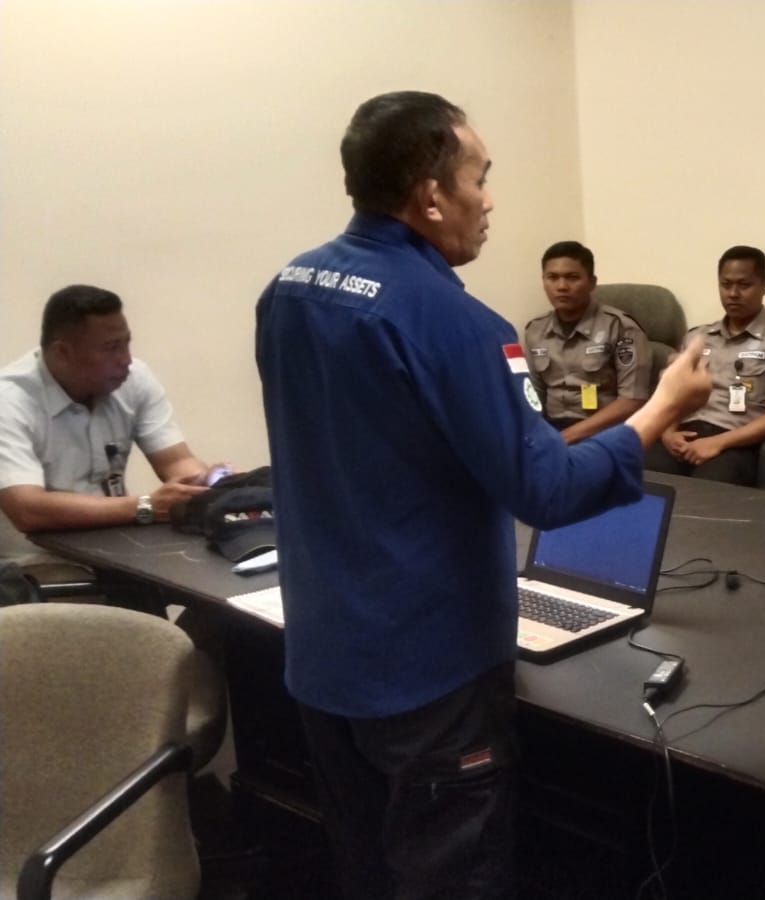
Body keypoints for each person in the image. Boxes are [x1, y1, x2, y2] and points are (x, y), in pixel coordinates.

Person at [255, 91, 710, 900]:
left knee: (364, 872)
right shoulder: (459, 324)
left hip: (325, 654)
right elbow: (548, 487)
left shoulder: (288, 289)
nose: (490, 198)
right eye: (481, 176)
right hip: (427, 673)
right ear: (432, 196)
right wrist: (662, 409)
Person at [0, 285, 211, 571]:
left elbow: (176, 461)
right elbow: (27, 509)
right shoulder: (10, 401)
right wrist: (145, 506)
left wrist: (212, 485)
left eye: (126, 343)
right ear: (62, 353)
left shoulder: (134, 378)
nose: (126, 359)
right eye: (111, 348)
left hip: (118, 551)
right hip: (33, 571)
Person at [643, 245, 765, 485]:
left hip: (736, 444)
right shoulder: (696, 338)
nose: (733, 293)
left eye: (744, 285)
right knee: (637, 479)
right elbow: (671, 397)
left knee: (705, 496)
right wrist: (668, 433)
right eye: (726, 284)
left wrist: (717, 442)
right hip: (684, 435)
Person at [522, 241, 653, 444]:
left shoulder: (620, 327)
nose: (562, 286)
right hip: (551, 430)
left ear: (592, 283)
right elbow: (533, 395)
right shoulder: (535, 331)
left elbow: (632, 400)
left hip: (603, 431)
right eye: (552, 277)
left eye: (572, 277)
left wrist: (566, 438)